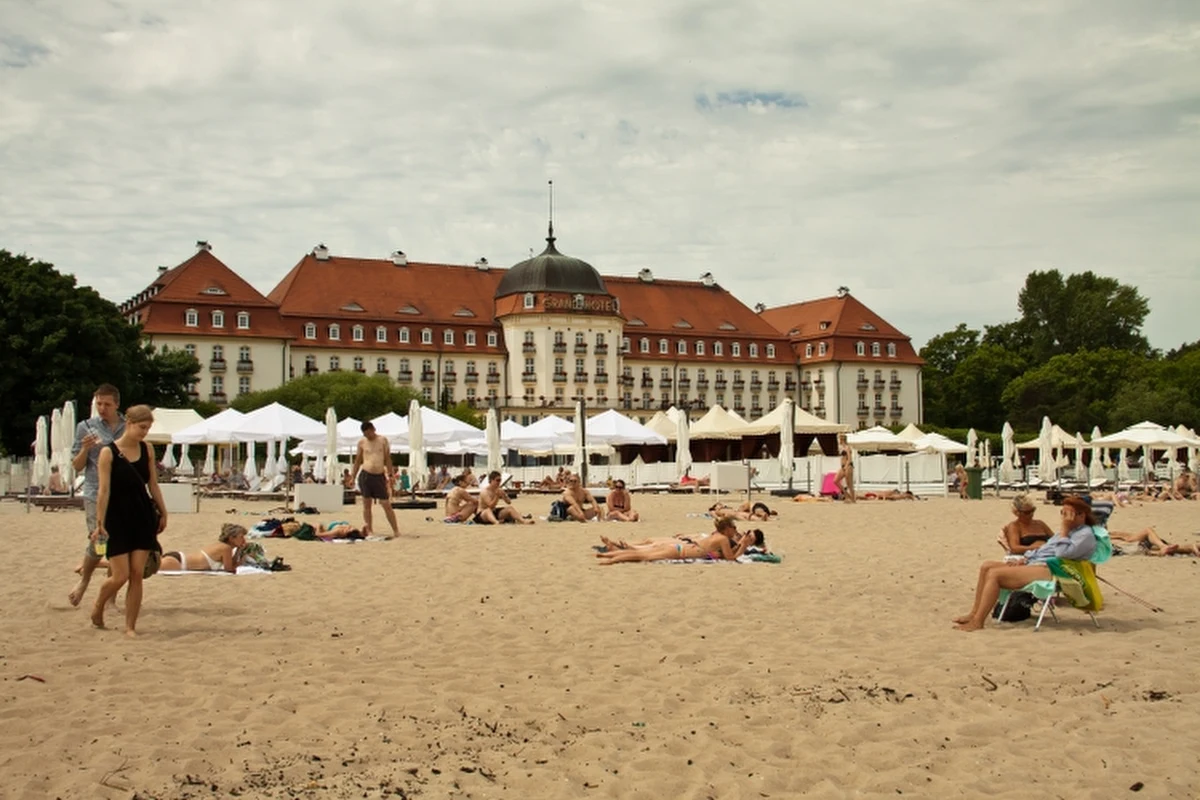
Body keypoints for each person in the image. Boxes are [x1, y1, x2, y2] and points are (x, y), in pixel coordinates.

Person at [953, 496, 1098, 632]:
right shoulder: (1064, 532)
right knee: (987, 566)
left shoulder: (1084, 534)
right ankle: (973, 614)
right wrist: (1026, 558)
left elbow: (1061, 554)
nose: (1064, 518)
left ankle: (978, 621)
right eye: (1063, 513)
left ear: (1081, 515)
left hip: (1055, 569)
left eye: (1067, 514)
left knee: (995, 575)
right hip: (1037, 562)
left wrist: (1065, 530)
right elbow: (1044, 549)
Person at [90, 405, 168, 636]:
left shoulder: (147, 449)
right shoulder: (108, 452)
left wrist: (163, 512)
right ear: (129, 423)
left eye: (148, 428)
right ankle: (98, 605)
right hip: (116, 517)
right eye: (142, 427)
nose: (145, 432)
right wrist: (99, 523)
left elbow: (152, 484)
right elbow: (103, 491)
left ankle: (130, 627)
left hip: (142, 515)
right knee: (120, 576)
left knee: (137, 574)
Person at [67, 383, 126, 608]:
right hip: (94, 491)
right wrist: (84, 449)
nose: (102, 408)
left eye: (107, 404)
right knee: (99, 539)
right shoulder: (85, 427)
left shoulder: (127, 426)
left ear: (116, 404)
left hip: (121, 493)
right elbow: (77, 466)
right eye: (99, 404)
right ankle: (84, 580)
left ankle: (110, 596)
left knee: (118, 543)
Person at [596, 517, 758, 564]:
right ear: (727, 528)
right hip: (679, 552)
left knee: (642, 553)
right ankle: (611, 559)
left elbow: (725, 554)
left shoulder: (716, 535)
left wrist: (741, 544)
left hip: (680, 547)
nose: (735, 530)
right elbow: (730, 558)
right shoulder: (723, 539)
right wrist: (743, 545)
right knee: (642, 556)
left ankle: (608, 555)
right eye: (734, 528)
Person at [350, 421, 399, 539]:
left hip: (379, 475)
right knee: (367, 504)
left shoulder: (383, 440)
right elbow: (357, 461)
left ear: (373, 429)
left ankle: (396, 530)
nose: (367, 436)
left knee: (386, 504)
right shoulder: (362, 442)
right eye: (365, 434)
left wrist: (391, 475)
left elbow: (387, 458)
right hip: (366, 474)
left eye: (369, 433)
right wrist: (353, 477)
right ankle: (370, 530)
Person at [162, 523, 248, 573]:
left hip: (178, 559)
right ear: (231, 538)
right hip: (178, 563)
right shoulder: (226, 548)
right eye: (241, 537)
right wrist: (240, 562)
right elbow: (229, 569)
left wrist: (239, 550)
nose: (244, 540)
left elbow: (230, 563)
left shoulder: (222, 546)